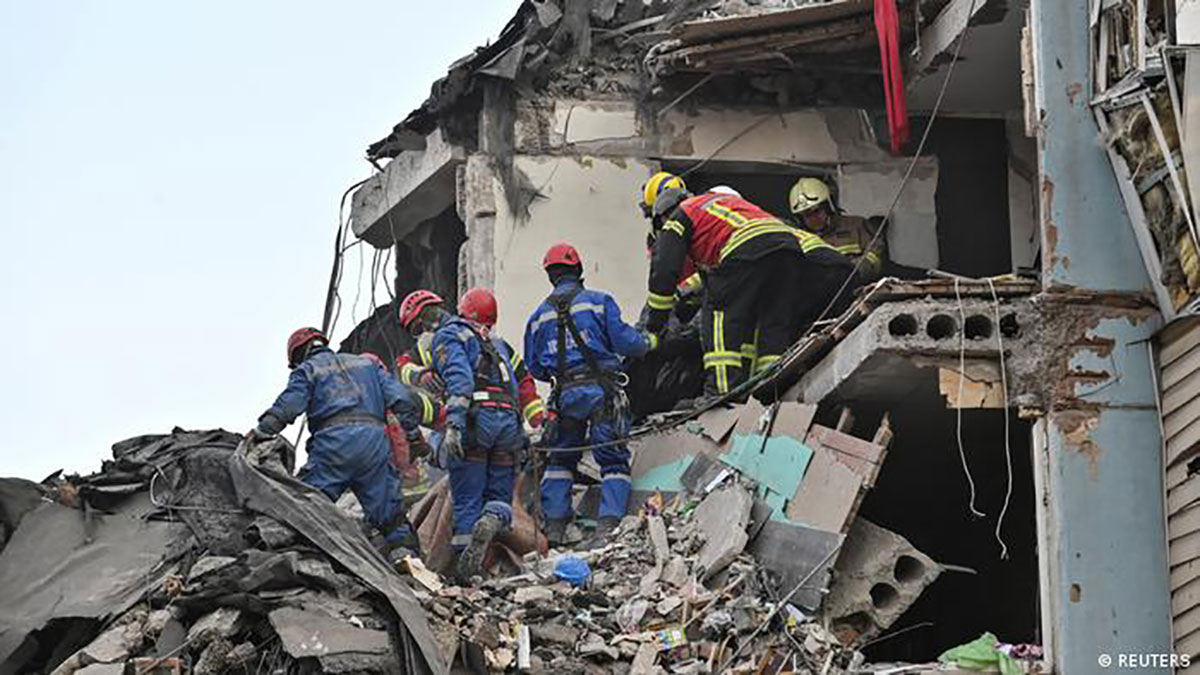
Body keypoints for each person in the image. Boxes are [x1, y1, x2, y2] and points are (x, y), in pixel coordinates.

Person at [250, 327, 435, 564]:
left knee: (308, 504)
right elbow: (402, 399)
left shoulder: (308, 370)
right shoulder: (368, 365)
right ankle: (409, 562)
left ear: (299, 355)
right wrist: (410, 434)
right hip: (374, 446)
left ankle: (299, 560)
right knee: (390, 515)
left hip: (333, 447)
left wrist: (261, 431)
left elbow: (288, 406)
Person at [524, 243, 658, 546]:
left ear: (550, 275)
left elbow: (536, 368)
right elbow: (628, 343)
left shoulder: (536, 318)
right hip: (602, 392)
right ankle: (608, 525)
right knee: (612, 459)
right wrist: (650, 341)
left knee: (560, 460)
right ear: (579, 269)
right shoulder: (598, 303)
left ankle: (555, 528)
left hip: (564, 397)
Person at [398, 289, 527, 580]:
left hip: (475, 421)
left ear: (428, 317)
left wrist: (455, 424)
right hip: (508, 423)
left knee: (467, 498)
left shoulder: (447, 336)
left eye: (418, 327)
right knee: (499, 497)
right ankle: (493, 519)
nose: (420, 335)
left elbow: (459, 379)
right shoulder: (495, 341)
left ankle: (468, 574)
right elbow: (518, 384)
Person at [639, 171, 807, 393]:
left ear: (662, 216)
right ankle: (771, 385)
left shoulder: (680, 217)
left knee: (718, 314)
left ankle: (722, 390)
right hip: (789, 250)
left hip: (747, 249)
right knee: (769, 320)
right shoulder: (718, 204)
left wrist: (654, 325)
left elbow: (664, 273)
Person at [789, 177, 886, 282]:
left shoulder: (856, 225)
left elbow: (877, 254)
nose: (813, 218)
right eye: (806, 215)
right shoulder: (798, 240)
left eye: (816, 211)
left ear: (829, 207)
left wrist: (857, 270)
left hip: (860, 290)